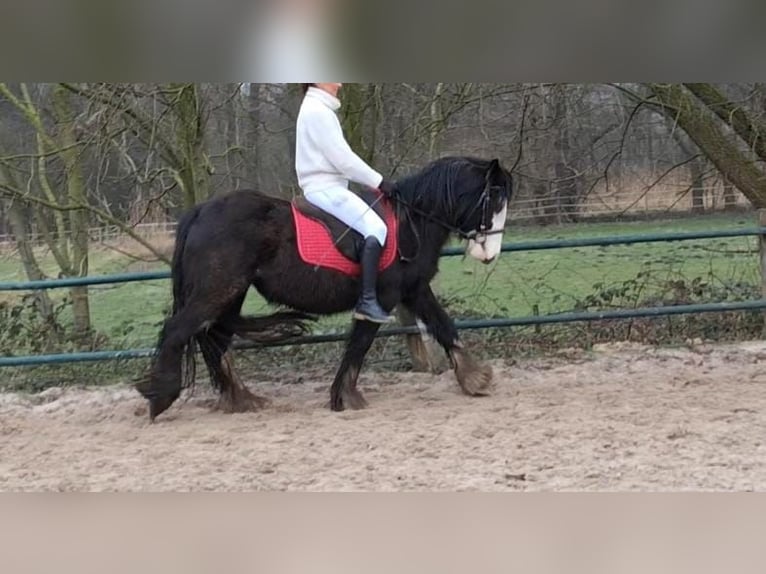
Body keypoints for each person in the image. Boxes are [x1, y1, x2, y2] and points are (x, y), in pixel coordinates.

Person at [294, 83, 397, 323]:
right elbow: (344, 161)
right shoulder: (318, 111)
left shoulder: (317, 108)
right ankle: (367, 301)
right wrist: (380, 182)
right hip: (325, 187)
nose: (339, 81)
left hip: (325, 185)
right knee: (377, 228)